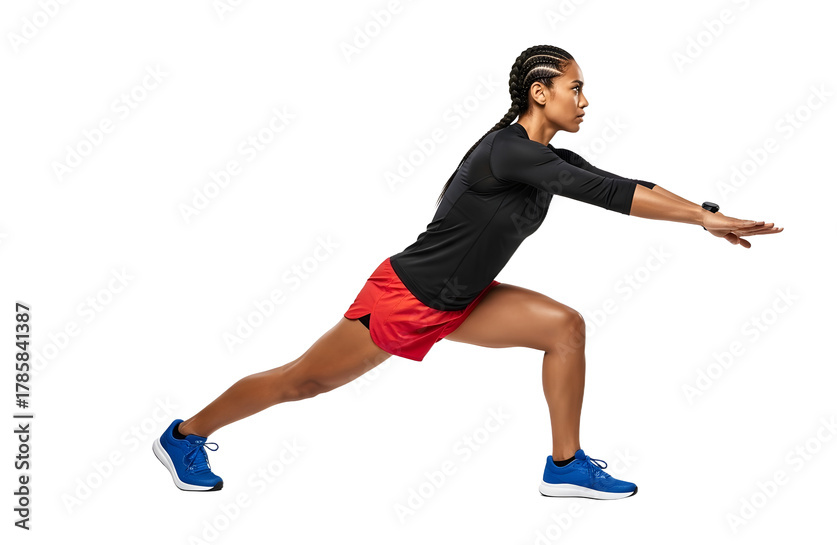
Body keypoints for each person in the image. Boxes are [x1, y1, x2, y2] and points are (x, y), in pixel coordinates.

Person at [153, 45, 783, 500]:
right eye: (575, 87)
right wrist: (700, 219)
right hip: (409, 295)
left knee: (564, 328)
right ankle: (184, 435)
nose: (585, 100)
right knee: (302, 383)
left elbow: (625, 184)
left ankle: (565, 465)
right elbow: (605, 194)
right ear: (540, 92)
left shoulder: (545, 157)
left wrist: (705, 215)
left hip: (465, 299)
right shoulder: (508, 151)